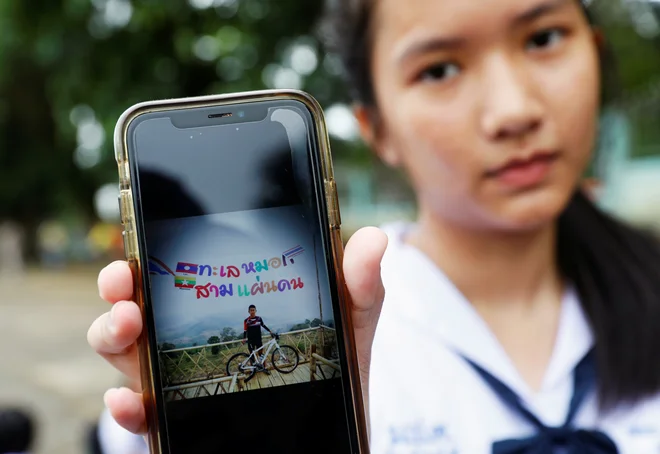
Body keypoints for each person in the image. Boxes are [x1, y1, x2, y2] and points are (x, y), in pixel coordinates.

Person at [87, 0, 660, 451]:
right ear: (375, 127)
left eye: (543, 38)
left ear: (596, 50)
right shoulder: (354, 318)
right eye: (439, 69)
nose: (513, 110)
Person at [242, 304, 274, 369]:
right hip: (250, 340)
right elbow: (245, 330)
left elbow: (263, 325)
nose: (252, 311)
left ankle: (264, 367)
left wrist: (269, 331)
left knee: (261, 354)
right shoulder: (246, 320)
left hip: (258, 339)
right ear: (249, 311)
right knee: (252, 355)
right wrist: (244, 338)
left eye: (253, 310)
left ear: (256, 311)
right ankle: (252, 369)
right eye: (251, 310)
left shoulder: (259, 318)